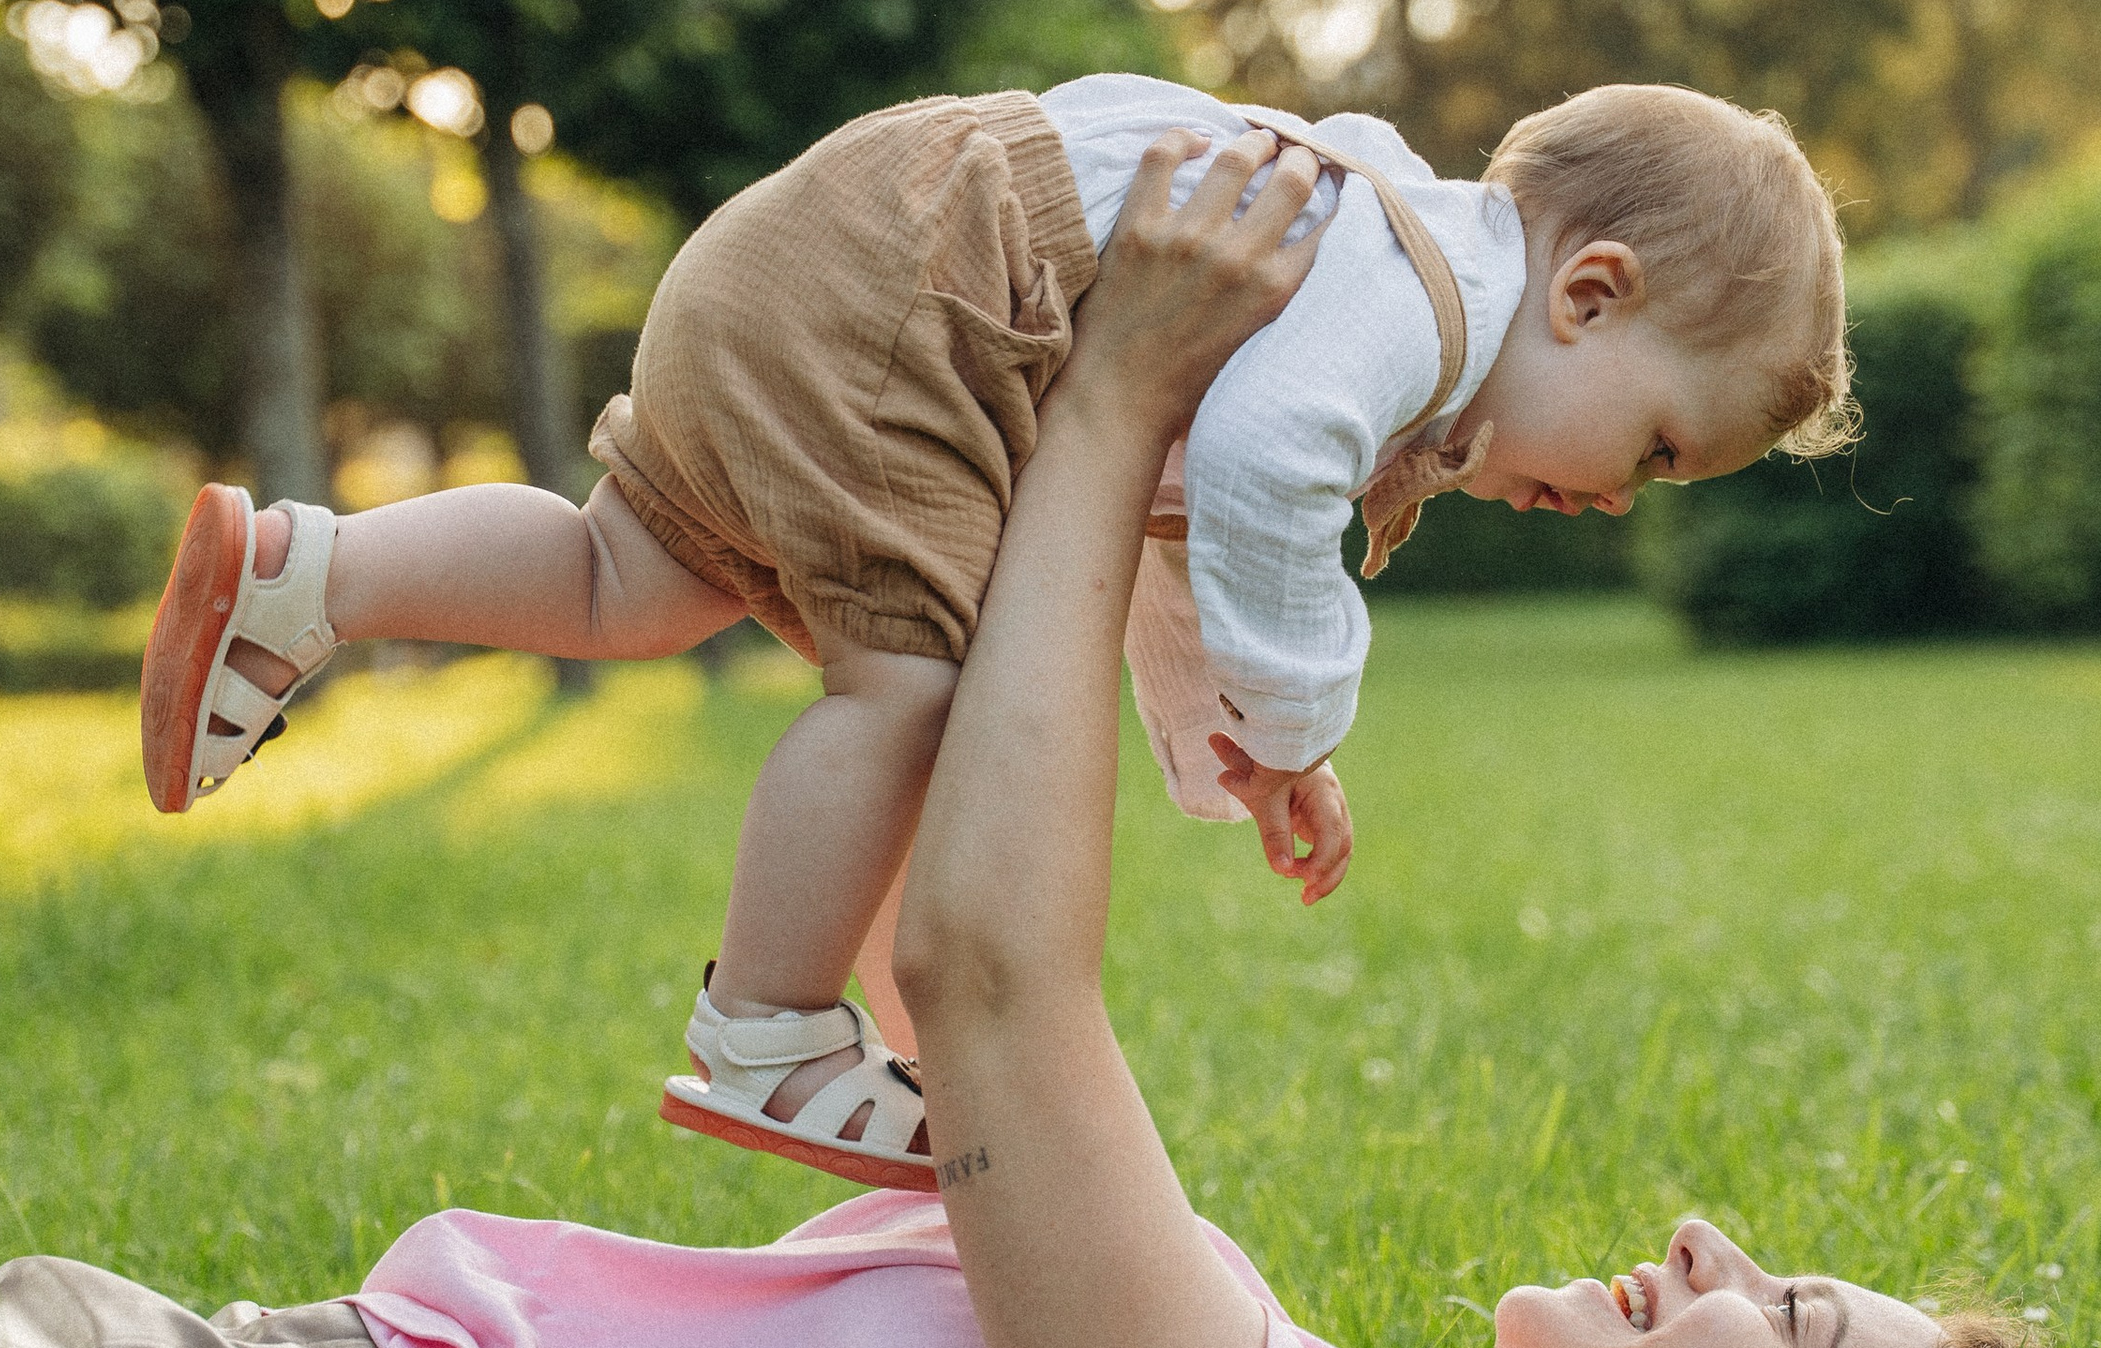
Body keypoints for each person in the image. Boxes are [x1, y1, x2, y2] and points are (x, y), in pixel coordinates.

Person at [0, 131, 2101, 1348]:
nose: (1711, 1241)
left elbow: (996, 995)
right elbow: (944, 973)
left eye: (1787, 1317)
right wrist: (1106, 528)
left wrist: (1103, 401)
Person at [139, 75, 1850, 1197]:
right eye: (1657, 448)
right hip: (930, 284)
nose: (1625, 500)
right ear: (1591, 293)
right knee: (918, 684)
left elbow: (1171, 533)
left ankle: (308, 576)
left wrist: (1237, 748)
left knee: (628, 579)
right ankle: (771, 1032)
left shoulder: (1382, 277)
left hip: (831, 245)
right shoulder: (1420, 296)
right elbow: (1265, 478)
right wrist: (1308, 711)